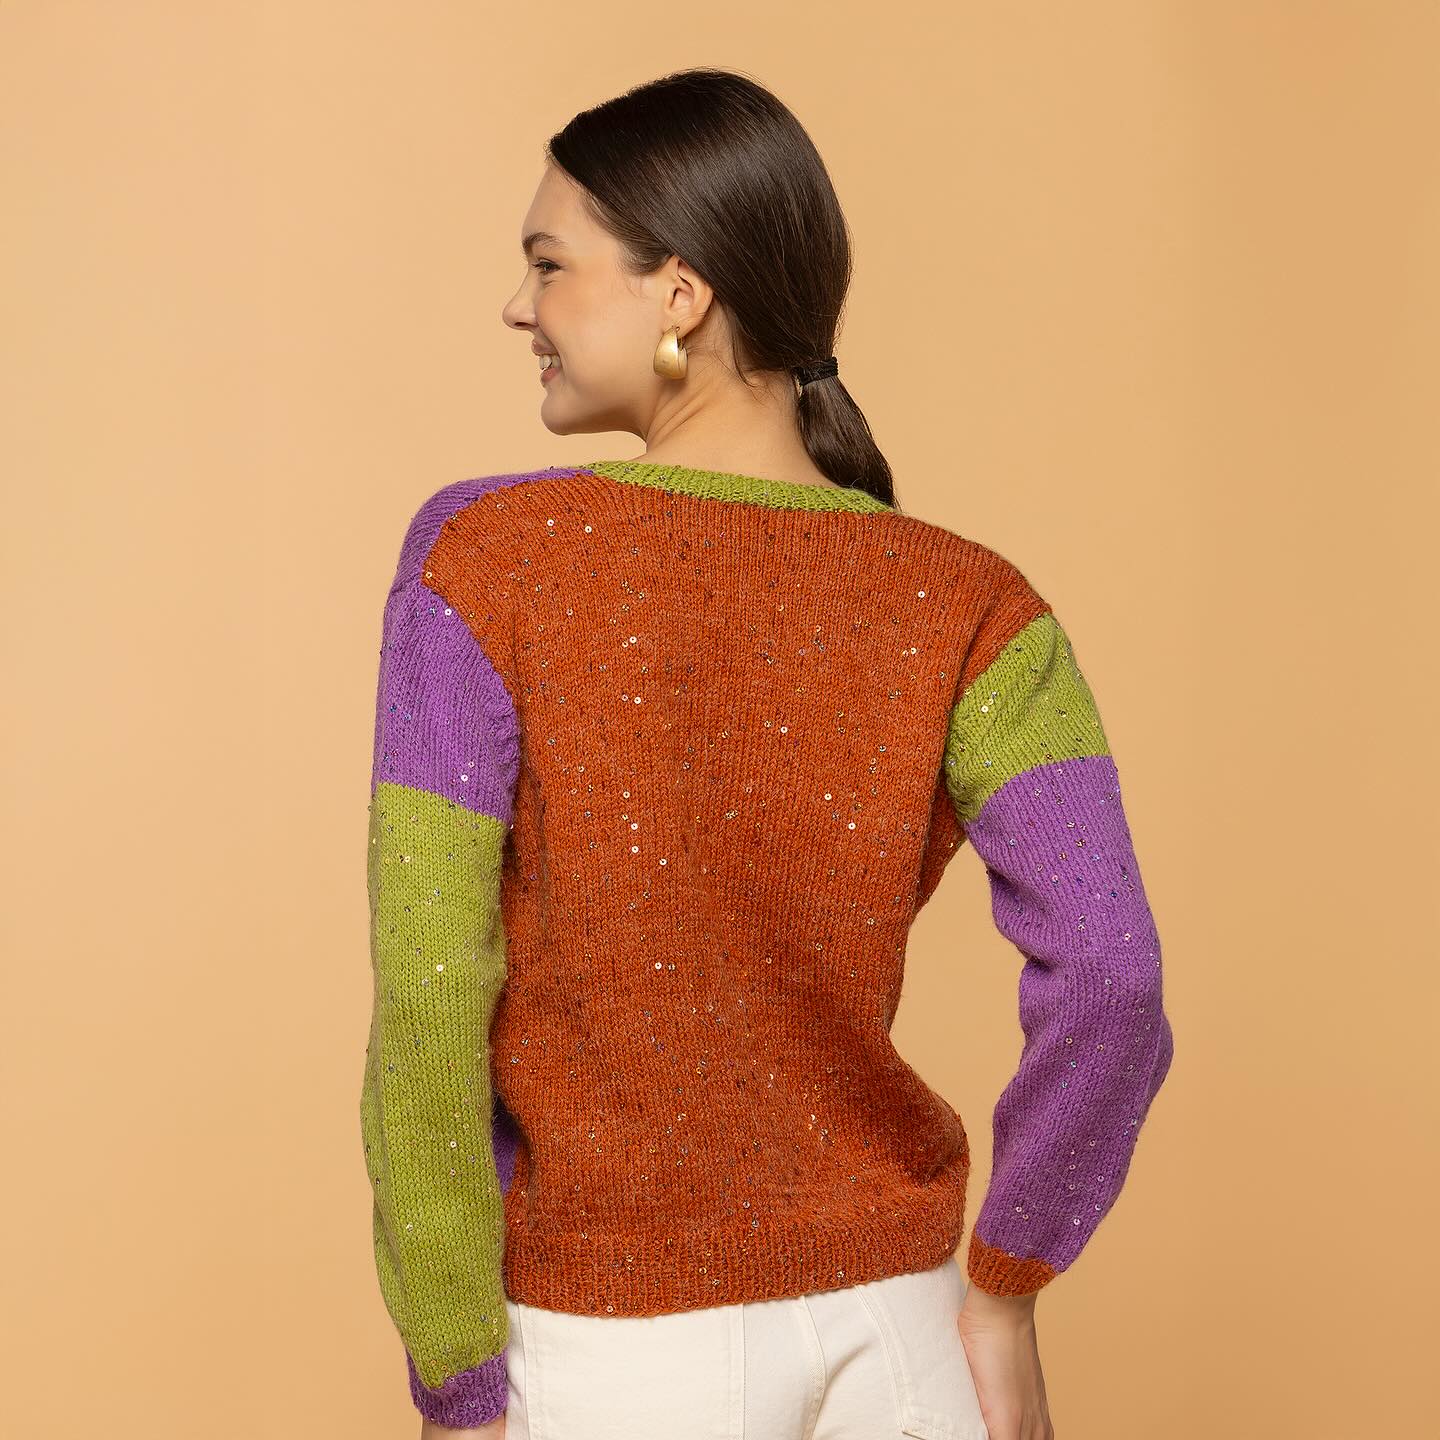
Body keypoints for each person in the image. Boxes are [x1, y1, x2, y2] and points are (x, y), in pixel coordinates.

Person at [361, 66, 1175, 1440]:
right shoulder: (976, 602)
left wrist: (456, 1375)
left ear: (680, 295)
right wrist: (1007, 1290)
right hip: (904, 1341)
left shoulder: (480, 561)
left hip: (613, 1351)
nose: (519, 306)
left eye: (550, 265)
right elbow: (1115, 973)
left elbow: (431, 999)